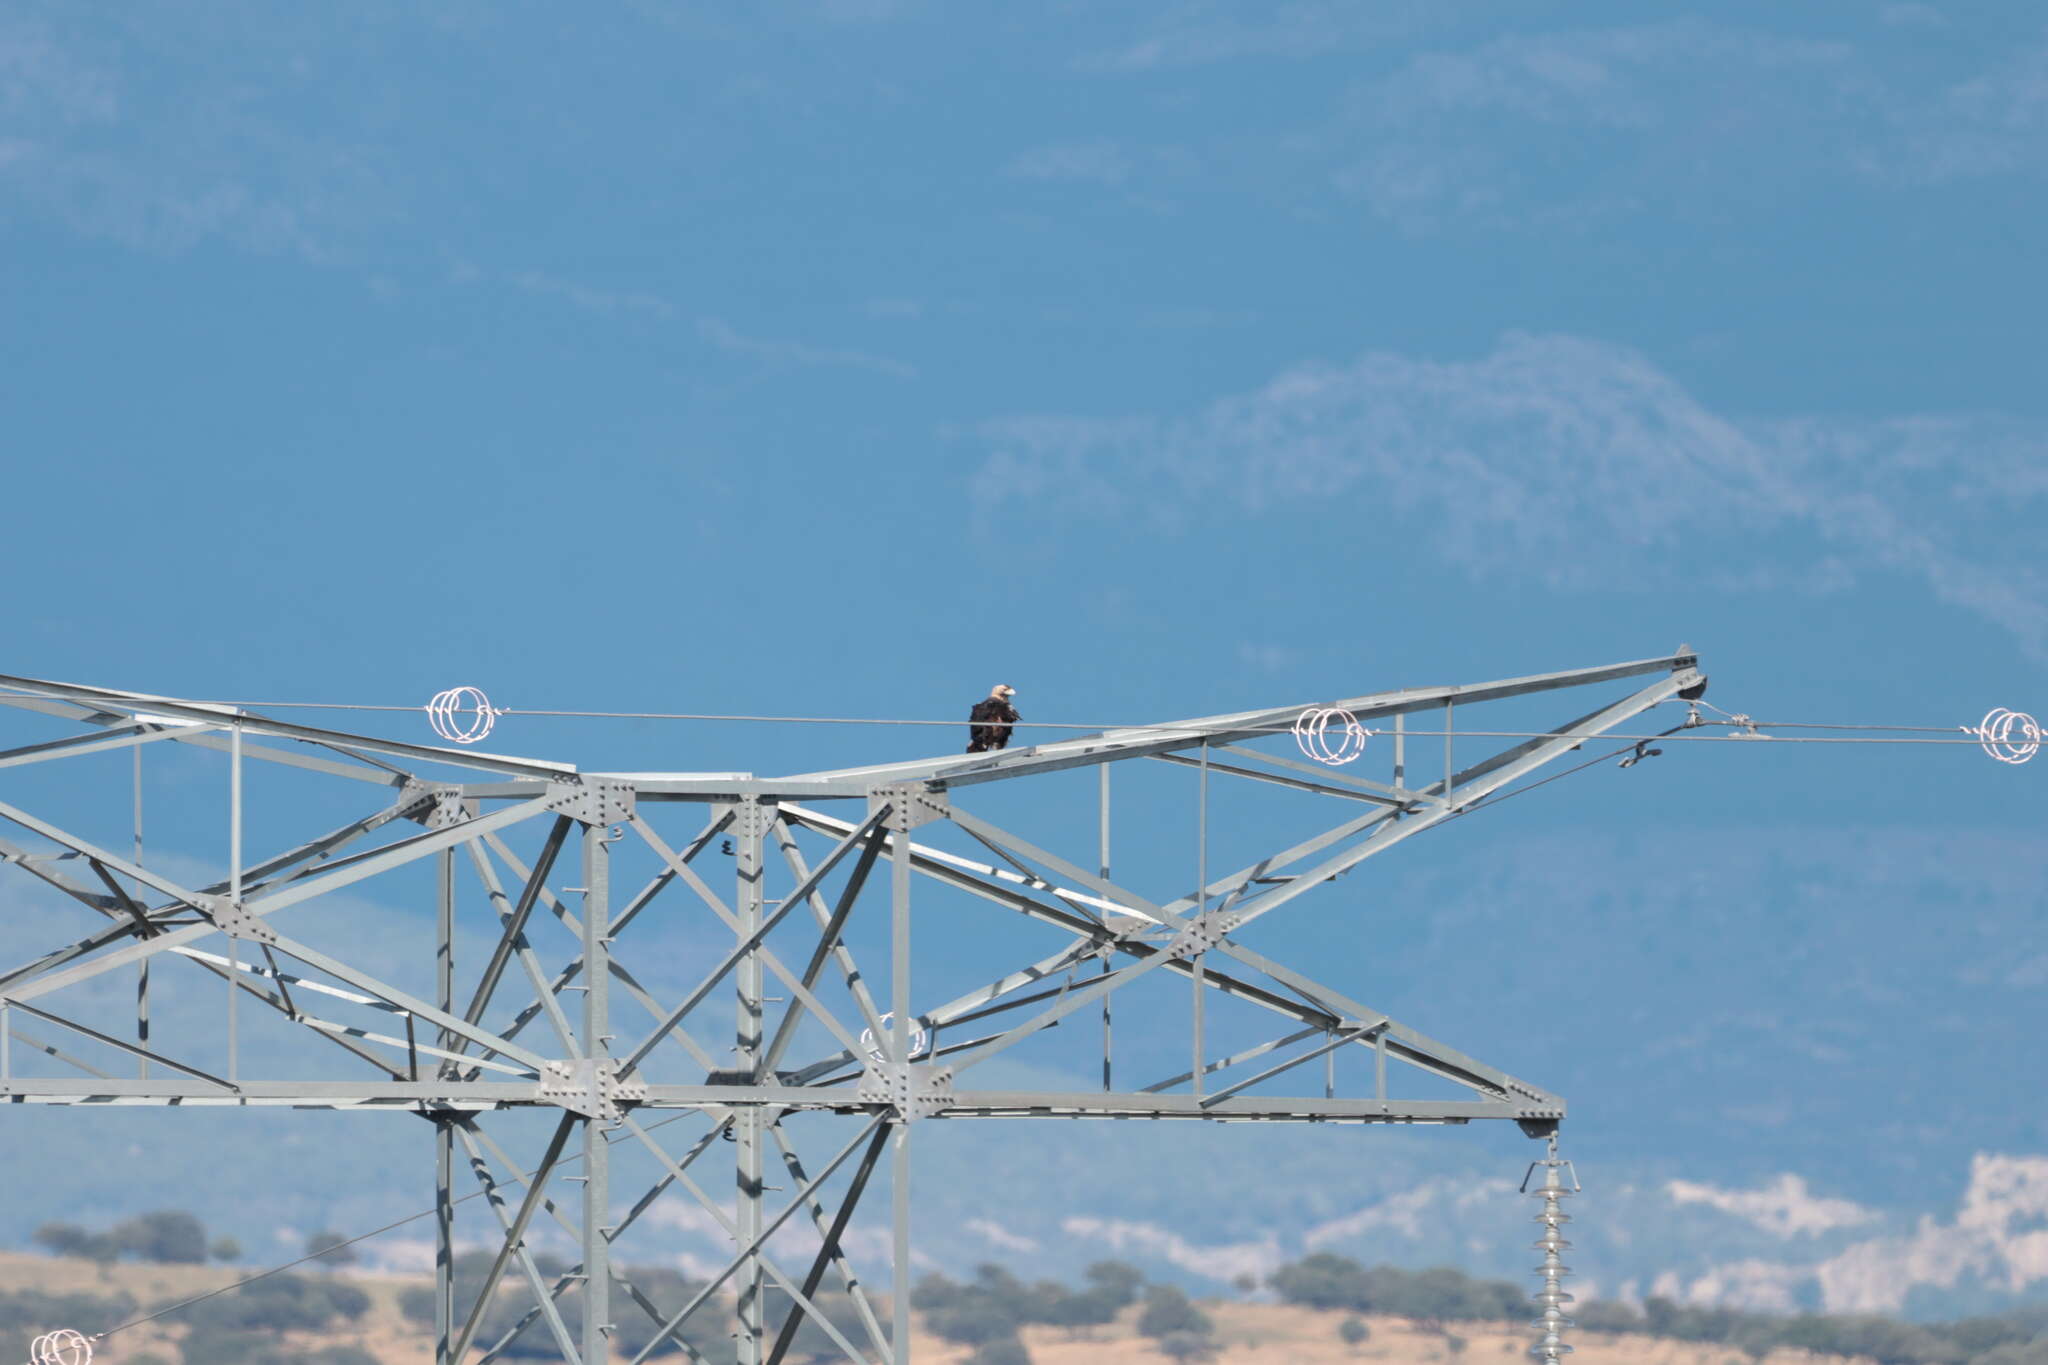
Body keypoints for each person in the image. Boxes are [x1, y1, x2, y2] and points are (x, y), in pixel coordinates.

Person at [966, 684, 1020, 753]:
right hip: (982, 739)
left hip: (992, 740)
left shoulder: (1007, 707)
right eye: (1004, 690)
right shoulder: (987, 706)